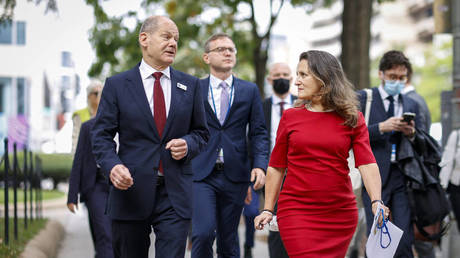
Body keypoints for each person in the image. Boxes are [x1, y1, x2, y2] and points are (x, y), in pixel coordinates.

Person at [91, 16, 209, 258]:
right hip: (130, 191)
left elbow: (202, 133)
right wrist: (112, 167)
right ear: (144, 39)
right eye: (166, 37)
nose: (173, 43)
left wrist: (188, 144)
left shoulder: (191, 85)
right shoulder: (117, 85)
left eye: (176, 39)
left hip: (174, 194)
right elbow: (101, 136)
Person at [254, 50, 388, 257]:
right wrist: (268, 209)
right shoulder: (290, 117)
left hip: (339, 213)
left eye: (303, 75)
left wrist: (376, 200)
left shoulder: (353, 118)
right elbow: (276, 166)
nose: (296, 81)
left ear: (324, 77)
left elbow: (367, 163)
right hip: (296, 211)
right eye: (297, 75)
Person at [191, 33, 268, 258]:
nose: (228, 53)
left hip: (235, 174)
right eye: (221, 49)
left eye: (231, 50)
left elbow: (258, 132)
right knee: (202, 234)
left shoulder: (249, 90)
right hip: (202, 174)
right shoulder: (195, 88)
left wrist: (260, 165)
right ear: (206, 57)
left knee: (229, 240)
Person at [358, 50, 423, 258]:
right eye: (392, 77)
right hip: (374, 176)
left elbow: (422, 141)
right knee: (377, 235)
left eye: (401, 78)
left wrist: (412, 133)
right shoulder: (365, 99)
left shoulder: (410, 103)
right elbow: (350, 135)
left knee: (405, 239)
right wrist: (381, 128)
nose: (397, 81)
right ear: (381, 74)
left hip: (402, 176)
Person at [67, 118, 113, 258]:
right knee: (105, 234)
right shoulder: (88, 126)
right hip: (96, 186)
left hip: (121, 186)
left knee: (115, 238)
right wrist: (72, 195)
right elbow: (79, 159)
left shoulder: (128, 123)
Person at [262, 62, 295, 258]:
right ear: (269, 79)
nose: (281, 78)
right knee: (275, 221)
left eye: (285, 74)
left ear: (291, 79)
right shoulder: (261, 106)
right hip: (272, 172)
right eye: (276, 75)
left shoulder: (304, 104)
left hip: (297, 171)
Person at [403, 67, 434, 258]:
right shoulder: (417, 99)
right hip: (416, 175)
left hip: (415, 176)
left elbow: (424, 141)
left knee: (419, 234)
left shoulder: (413, 101)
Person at [72, 80, 102, 154]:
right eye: (96, 93)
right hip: (86, 156)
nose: (99, 96)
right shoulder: (79, 115)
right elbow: (76, 140)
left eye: (102, 93)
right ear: (89, 96)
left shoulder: (109, 113)